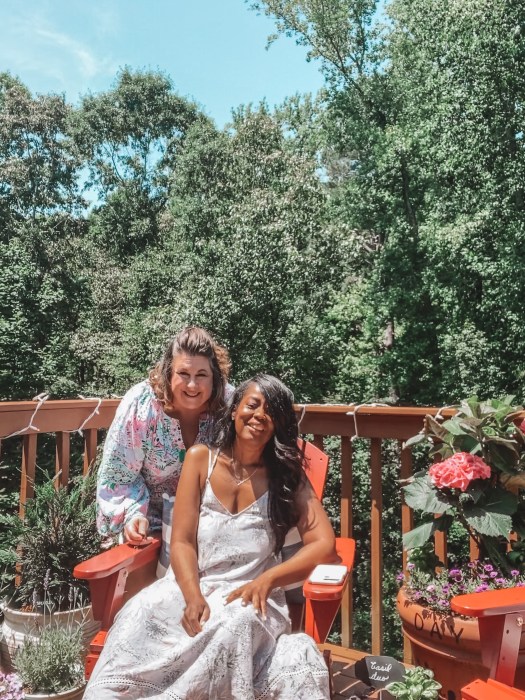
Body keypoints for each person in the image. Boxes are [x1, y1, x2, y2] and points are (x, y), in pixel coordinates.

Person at [85, 374, 337, 699]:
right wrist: (192, 597)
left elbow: (324, 545)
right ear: (234, 410)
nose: (260, 416)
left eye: (271, 412)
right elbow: (182, 541)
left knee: (236, 623)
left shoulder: (285, 477)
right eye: (253, 405)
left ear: (278, 424)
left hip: (249, 596)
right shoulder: (200, 459)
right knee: (140, 611)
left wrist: (269, 579)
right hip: (191, 585)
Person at [96, 326, 231, 544]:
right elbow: (117, 476)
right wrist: (133, 517)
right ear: (168, 372)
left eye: (202, 375)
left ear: (214, 377)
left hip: (208, 526)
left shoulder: (229, 405)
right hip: (149, 528)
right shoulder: (141, 405)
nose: (192, 385)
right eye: (183, 374)